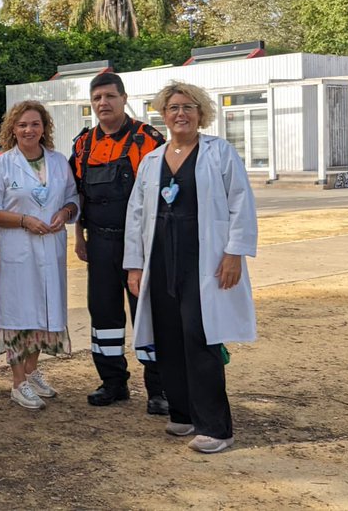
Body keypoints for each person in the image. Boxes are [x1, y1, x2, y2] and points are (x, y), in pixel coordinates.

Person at [124, 81, 257, 454]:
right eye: (173, 108)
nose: (180, 114)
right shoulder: (152, 160)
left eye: (188, 107)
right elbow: (136, 216)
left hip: (205, 262)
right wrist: (134, 267)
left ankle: (216, 427)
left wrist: (235, 254)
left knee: (200, 339)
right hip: (162, 261)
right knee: (168, 338)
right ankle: (182, 414)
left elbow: (240, 203)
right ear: (162, 114)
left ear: (201, 113)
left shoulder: (219, 152)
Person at [71, 72, 168, 414]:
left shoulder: (148, 139)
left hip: (142, 246)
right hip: (99, 244)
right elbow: (79, 194)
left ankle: (159, 389)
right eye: (97, 98)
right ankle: (113, 383)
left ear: (124, 98)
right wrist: (79, 236)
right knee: (104, 316)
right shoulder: (83, 144)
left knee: (148, 315)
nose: (103, 104)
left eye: (110, 96)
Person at [0, 101, 79, 410]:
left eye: (35, 124)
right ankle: (18, 382)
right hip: (18, 249)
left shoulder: (59, 162)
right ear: (12, 128)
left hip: (50, 247)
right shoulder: (2, 164)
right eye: (22, 124)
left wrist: (65, 211)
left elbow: (74, 199)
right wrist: (23, 220)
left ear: (44, 128)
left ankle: (32, 372)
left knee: (42, 312)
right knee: (19, 314)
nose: (29, 130)